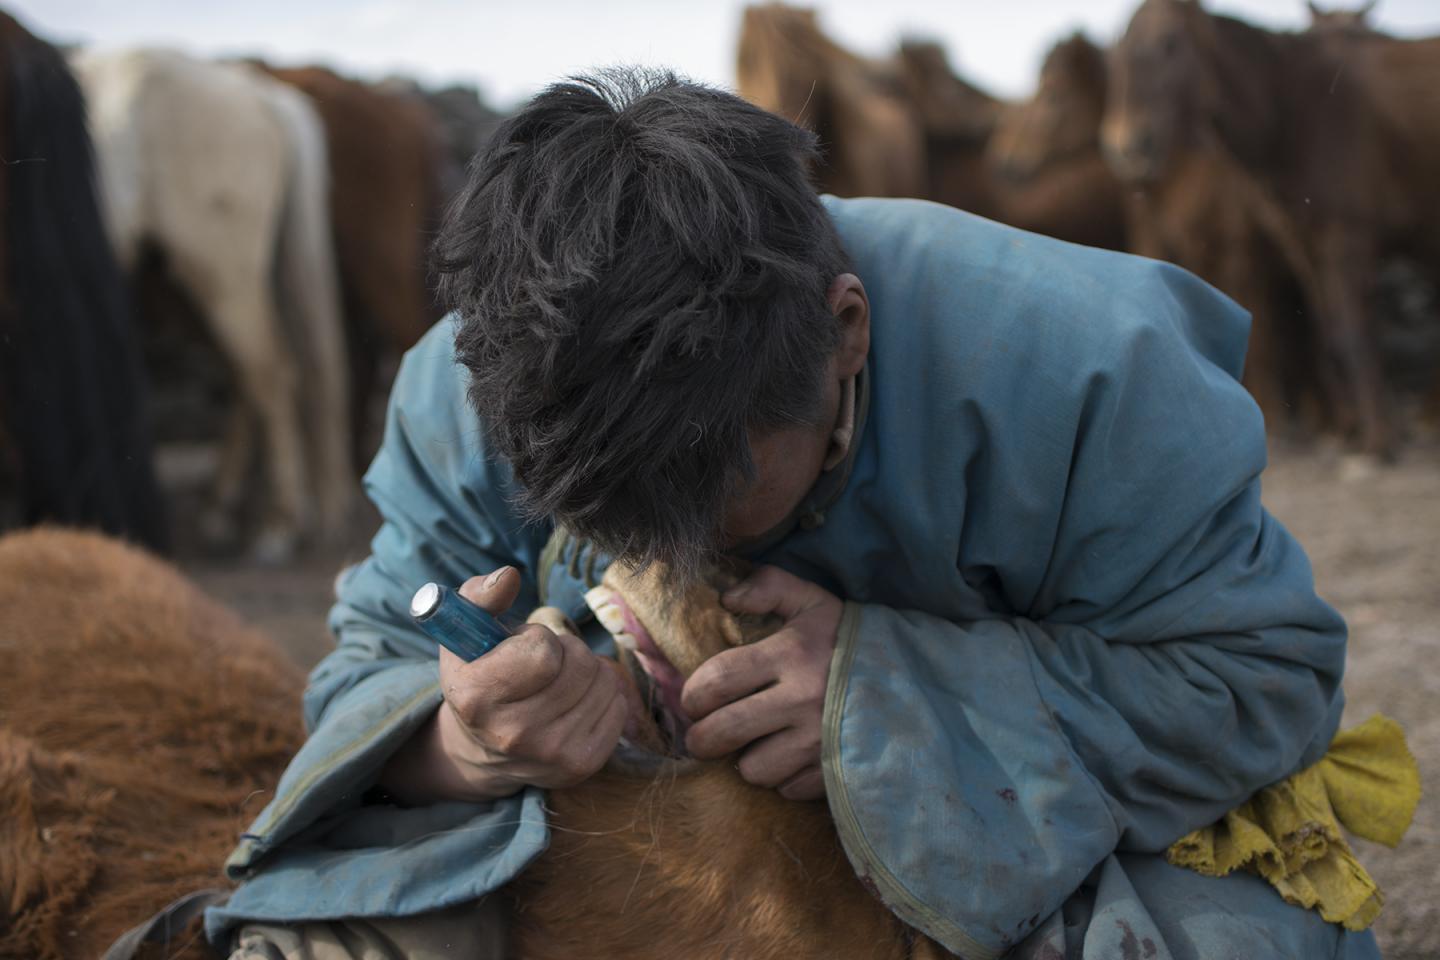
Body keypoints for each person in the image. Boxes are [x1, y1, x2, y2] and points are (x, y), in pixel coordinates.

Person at [206, 68, 1381, 959]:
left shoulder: (1088, 375)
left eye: (713, 499)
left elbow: (1262, 681)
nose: (670, 568)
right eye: (614, 517)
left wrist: (891, 695)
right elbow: (365, 670)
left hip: (1037, 820)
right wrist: (460, 739)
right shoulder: (476, 382)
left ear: (846, 333)